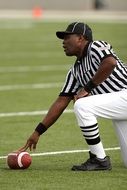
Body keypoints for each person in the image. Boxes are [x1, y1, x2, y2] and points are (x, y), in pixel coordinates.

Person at [22, 22, 127, 171]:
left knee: (82, 105)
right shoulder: (75, 71)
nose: (63, 42)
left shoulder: (95, 46)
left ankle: (99, 159)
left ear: (81, 38)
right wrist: (37, 132)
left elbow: (110, 63)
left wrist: (87, 88)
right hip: (121, 109)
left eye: (67, 37)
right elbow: (61, 101)